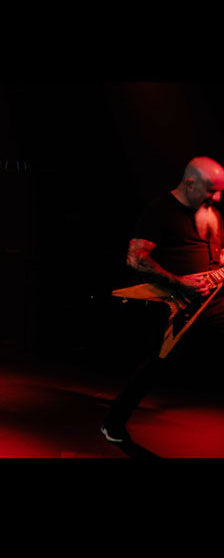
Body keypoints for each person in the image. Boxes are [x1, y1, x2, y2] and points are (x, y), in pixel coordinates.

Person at [102, 156, 224, 443]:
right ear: (190, 183)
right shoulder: (160, 211)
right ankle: (113, 422)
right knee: (158, 363)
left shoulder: (212, 213)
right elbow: (135, 259)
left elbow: (218, 255)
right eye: (211, 190)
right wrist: (179, 282)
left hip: (214, 300)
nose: (217, 197)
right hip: (177, 301)